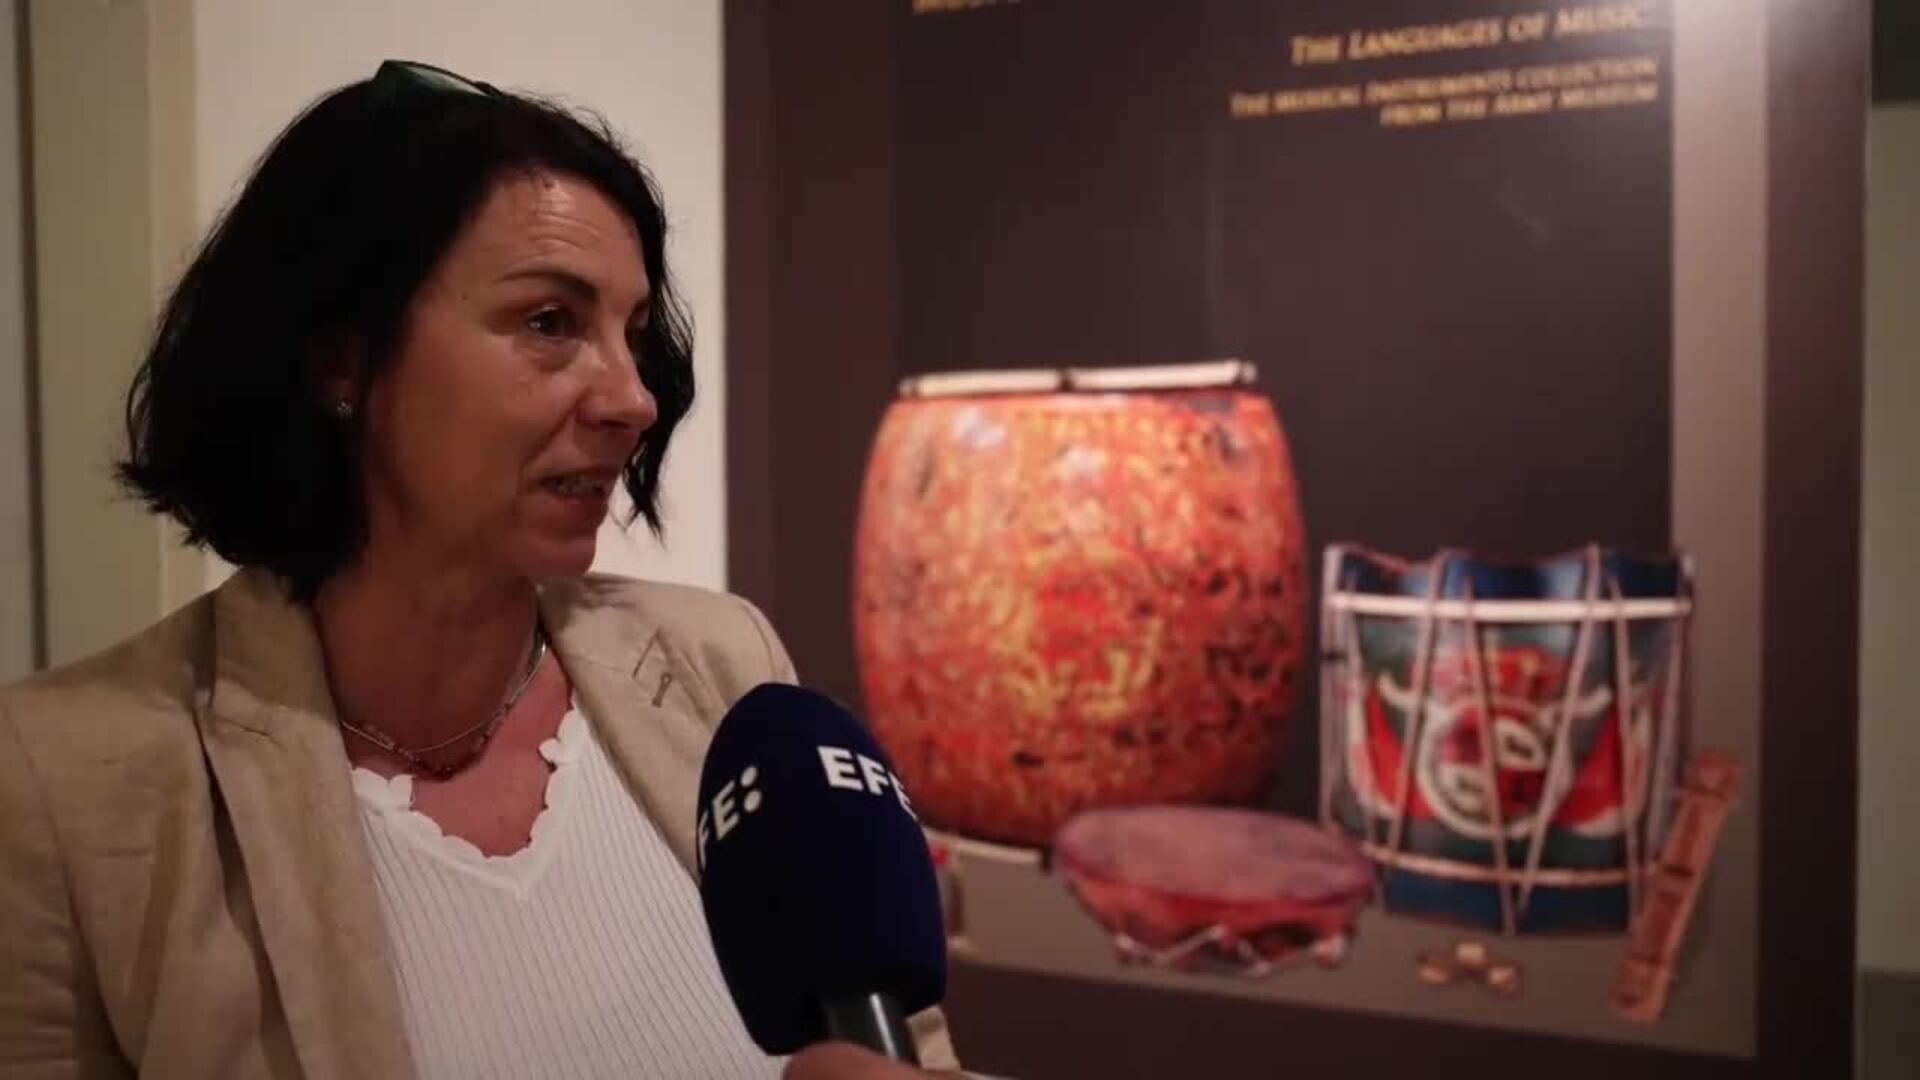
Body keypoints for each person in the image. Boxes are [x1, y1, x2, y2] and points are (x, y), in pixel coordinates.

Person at [0, 60, 959, 1079]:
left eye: (632, 338)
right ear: (340, 361)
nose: (633, 399)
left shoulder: (720, 663)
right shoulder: (63, 780)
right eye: (551, 323)